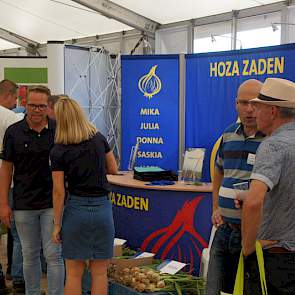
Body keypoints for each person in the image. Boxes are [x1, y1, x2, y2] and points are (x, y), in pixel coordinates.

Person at [0, 85, 65, 295]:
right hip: (23, 204)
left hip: (52, 204)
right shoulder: (13, 132)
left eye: (41, 106)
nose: (37, 110)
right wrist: (3, 204)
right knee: (29, 255)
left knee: (54, 255)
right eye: (32, 105)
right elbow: (6, 169)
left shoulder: (59, 130)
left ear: (48, 107)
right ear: (24, 104)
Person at [50, 96, 117, 295]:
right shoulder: (99, 139)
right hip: (102, 209)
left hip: (76, 210)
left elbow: (58, 191)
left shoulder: (58, 150)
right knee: (99, 273)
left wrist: (57, 225)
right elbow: (113, 168)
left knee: (73, 273)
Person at [205, 79, 264, 295]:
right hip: (224, 230)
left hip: (253, 234)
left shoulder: (271, 141)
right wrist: (215, 208)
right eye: (243, 103)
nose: (249, 109)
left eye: (255, 103)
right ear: (235, 105)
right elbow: (219, 171)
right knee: (213, 289)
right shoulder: (228, 135)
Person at [241, 78, 295, 295]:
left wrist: (247, 250)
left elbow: (255, 201)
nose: (253, 111)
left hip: (277, 260)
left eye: (258, 106)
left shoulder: (272, 145)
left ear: (272, 111)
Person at [0, 79, 25, 294]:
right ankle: (17, 277)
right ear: (8, 95)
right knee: (18, 233)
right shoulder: (12, 118)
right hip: (9, 181)